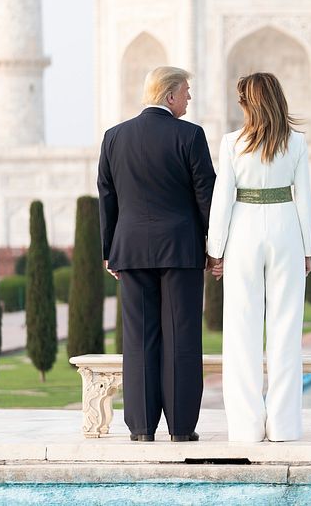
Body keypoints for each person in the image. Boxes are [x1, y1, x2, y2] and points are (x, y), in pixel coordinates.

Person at [97, 66, 216, 442]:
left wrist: (109, 251)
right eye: (186, 91)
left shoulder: (114, 137)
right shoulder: (190, 136)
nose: (189, 98)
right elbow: (206, 196)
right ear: (169, 96)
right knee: (181, 337)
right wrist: (216, 248)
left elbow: (107, 197)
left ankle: (142, 428)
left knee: (137, 339)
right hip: (180, 250)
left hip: (130, 251)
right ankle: (182, 427)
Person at [206, 72, 311, 442]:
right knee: (286, 331)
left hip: (244, 234)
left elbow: (222, 200)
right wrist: (307, 249)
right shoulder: (296, 142)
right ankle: (284, 426)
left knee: (241, 332)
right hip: (286, 230)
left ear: (248, 103)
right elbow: (305, 199)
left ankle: (247, 427)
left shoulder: (233, 143)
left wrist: (214, 251)